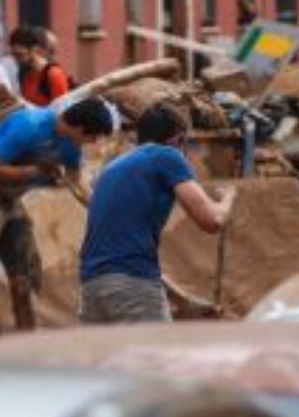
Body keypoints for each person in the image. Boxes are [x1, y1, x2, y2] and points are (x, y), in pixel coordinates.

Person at [0, 98, 116, 333]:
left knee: (25, 270)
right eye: (94, 136)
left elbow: (76, 181)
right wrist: (37, 171)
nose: (94, 143)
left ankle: (26, 337)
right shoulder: (29, 125)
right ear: (81, 129)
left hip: (9, 198)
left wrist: (101, 211)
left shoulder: (71, 143)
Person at [80, 103, 233, 324]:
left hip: (92, 289)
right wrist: (228, 200)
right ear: (177, 140)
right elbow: (212, 221)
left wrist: (184, 301)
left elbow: (119, 265)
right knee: (157, 358)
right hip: (132, 290)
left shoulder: (111, 169)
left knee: (109, 360)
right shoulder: (167, 156)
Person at [11, 25, 73, 107]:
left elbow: (62, 110)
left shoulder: (54, 74)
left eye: (20, 55)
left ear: (35, 50)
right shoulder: (24, 73)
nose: (15, 60)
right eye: (13, 55)